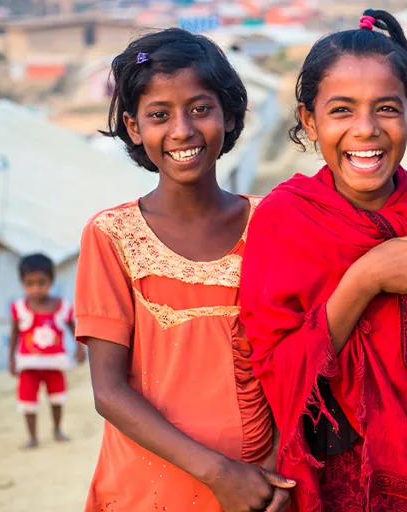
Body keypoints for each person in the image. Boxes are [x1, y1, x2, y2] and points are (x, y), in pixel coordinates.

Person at [74, 28, 292, 512]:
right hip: (148, 493)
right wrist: (220, 474)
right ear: (134, 128)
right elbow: (109, 392)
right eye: (159, 115)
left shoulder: (275, 224)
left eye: (200, 108)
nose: (182, 130)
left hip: (262, 488)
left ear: (230, 114)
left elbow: (298, 363)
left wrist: (278, 470)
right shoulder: (112, 236)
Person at [240, 10, 407, 512]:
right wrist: (365, 279)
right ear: (309, 120)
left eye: (387, 109)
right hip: (335, 474)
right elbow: (273, 369)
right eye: (341, 111)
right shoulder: (284, 219)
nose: (366, 130)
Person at [9, 253, 86, 449]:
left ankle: (57, 429)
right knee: (28, 402)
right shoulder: (19, 308)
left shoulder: (62, 307)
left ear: (51, 281)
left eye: (41, 282)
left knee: (57, 399)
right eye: (30, 283)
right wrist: (11, 359)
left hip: (55, 364)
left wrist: (80, 348)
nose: (36, 288)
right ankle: (32, 437)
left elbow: (74, 329)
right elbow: (14, 335)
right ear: (22, 283)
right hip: (28, 365)